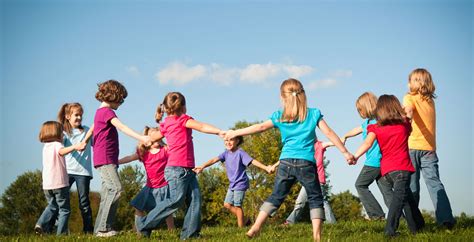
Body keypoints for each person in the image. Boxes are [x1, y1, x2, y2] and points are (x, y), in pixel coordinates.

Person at [224, 78, 355, 242]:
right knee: (315, 198)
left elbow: (259, 127)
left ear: (282, 98)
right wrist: (345, 152)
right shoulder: (313, 114)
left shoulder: (280, 117)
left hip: (285, 162)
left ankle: (256, 226)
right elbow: (328, 133)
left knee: (276, 196)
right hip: (306, 163)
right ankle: (317, 236)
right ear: (303, 95)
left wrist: (236, 132)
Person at [137, 92, 225, 240]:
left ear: (165, 108)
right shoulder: (183, 120)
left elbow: (154, 137)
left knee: (195, 199)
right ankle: (145, 224)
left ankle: (189, 234)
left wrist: (152, 130)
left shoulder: (166, 124)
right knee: (175, 200)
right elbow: (202, 126)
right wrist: (219, 131)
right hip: (177, 170)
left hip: (187, 169)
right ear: (184, 107)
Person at [353, 94, 425, 237]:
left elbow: (367, 143)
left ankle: (418, 227)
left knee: (407, 198)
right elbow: (408, 115)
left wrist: (355, 156)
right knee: (399, 199)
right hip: (402, 168)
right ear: (396, 107)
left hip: (387, 171)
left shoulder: (375, 127)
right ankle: (390, 230)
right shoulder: (404, 124)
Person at [91, 80, 150, 237]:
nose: (121, 102)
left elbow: (94, 136)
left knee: (107, 193)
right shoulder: (107, 112)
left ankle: (100, 229)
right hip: (106, 159)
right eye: (121, 98)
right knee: (115, 189)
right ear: (113, 95)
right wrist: (142, 138)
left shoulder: (99, 113)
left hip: (104, 159)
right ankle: (103, 228)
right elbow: (122, 127)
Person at [403, 68, 455, 228]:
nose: (408, 83)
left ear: (417, 82)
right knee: (435, 183)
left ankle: (415, 223)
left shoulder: (409, 97)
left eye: (410, 80)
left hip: (412, 147)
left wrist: (406, 120)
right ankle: (446, 219)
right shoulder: (430, 101)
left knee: (412, 186)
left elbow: (409, 110)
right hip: (429, 149)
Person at [193, 136, 273, 227]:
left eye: (231, 140)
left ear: (237, 141)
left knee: (237, 206)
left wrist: (266, 167)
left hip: (240, 183)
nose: (228, 142)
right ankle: (245, 219)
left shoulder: (240, 153)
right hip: (232, 184)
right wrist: (202, 166)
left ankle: (241, 228)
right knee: (227, 204)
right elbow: (214, 160)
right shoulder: (226, 154)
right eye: (226, 140)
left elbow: (252, 161)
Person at [342, 92, 392, 220]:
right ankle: (398, 217)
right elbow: (358, 129)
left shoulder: (375, 123)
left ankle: (377, 215)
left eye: (360, 109)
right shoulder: (372, 122)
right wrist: (345, 136)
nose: (359, 112)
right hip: (384, 163)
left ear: (367, 107)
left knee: (360, 185)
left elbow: (367, 143)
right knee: (386, 190)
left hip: (374, 162)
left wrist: (356, 156)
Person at [118, 126, 175, 234]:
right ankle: (139, 231)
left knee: (167, 211)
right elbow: (130, 157)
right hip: (150, 188)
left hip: (164, 186)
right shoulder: (143, 153)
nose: (156, 139)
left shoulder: (165, 150)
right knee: (138, 207)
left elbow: (177, 153)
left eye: (158, 136)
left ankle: (171, 230)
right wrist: (117, 162)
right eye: (153, 137)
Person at [35, 121, 86, 235]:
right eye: (62, 133)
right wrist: (75, 146)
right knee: (64, 209)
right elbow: (61, 152)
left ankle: (41, 223)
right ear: (56, 133)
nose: (63, 135)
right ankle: (61, 234)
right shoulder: (57, 145)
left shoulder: (45, 147)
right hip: (59, 183)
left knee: (52, 206)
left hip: (47, 185)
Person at [274, 141, 337, 225]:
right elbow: (289, 157)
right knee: (300, 202)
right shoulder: (303, 148)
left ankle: (331, 222)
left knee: (322, 200)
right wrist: (274, 165)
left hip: (318, 179)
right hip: (308, 179)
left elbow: (331, 142)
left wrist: (343, 139)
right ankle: (290, 222)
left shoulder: (319, 145)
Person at [57, 102, 94, 233]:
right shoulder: (64, 133)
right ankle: (57, 229)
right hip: (67, 171)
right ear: (67, 116)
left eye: (81, 115)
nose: (79, 118)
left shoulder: (87, 131)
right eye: (76, 115)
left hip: (83, 173)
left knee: (84, 203)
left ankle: (88, 231)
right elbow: (59, 150)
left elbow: (97, 143)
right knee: (61, 202)